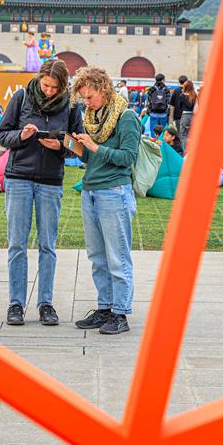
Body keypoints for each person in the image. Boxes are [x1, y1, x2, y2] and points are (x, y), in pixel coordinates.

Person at [0, 58, 82, 327]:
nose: (49, 91)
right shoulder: (21, 97)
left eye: (55, 88)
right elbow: (1, 135)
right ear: (39, 78)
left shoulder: (70, 106)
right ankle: (16, 304)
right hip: (19, 177)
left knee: (48, 245)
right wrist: (21, 136)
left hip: (50, 180)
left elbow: (79, 146)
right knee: (17, 244)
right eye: (46, 85)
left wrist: (60, 147)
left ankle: (46, 303)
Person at [71, 66, 142, 336]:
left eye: (90, 97)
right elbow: (92, 159)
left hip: (114, 191)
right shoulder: (93, 117)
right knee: (97, 256)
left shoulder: (126, 117)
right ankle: (105, 307)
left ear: (103, 88)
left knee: (117, 256)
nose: (86, 103)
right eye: (83, 99)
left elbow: (127, 158)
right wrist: (76, 147)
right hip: (91, 190)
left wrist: (94, 147)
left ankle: (120, 312)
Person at [178, 78, 196, 151]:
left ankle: (185, 151)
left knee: (183, 134)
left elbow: (179, 107)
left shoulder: (182, 96)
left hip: (185, 116)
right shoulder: (194, 95)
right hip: (193, 116)